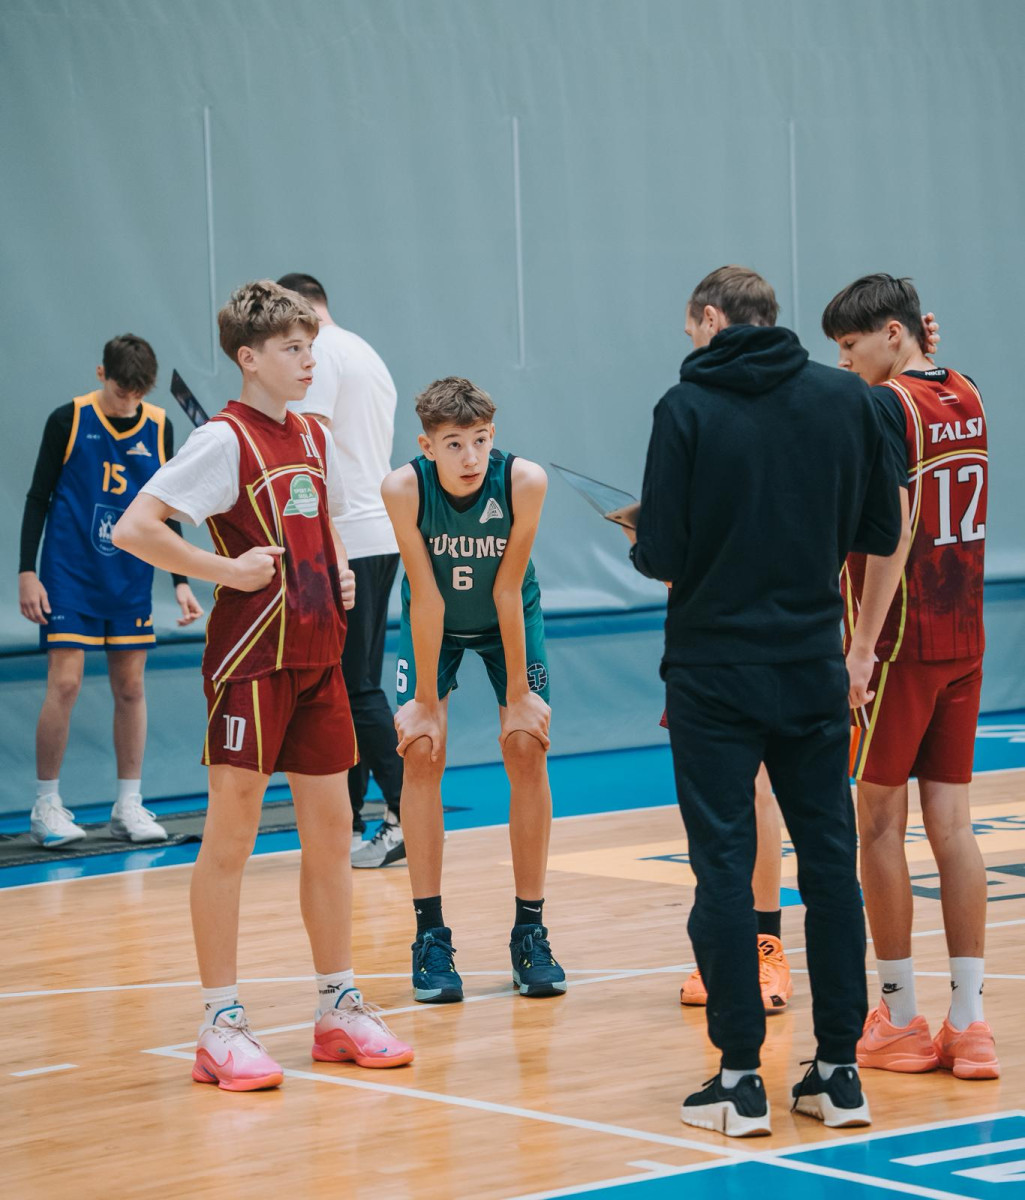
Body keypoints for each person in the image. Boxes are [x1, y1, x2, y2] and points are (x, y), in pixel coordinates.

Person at [112, 280, 413, 1091]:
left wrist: (338, 569)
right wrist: (224, 570)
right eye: (292, 348)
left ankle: (337, 1006)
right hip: (250, 663)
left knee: (332, 835)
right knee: (232, 839)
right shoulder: (223, 440)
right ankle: (219, 1023)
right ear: (249, 358)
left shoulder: (311, 433)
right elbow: (135, 528)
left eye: (310, 345)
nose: (309, 360)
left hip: (319, 659)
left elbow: (321, 522)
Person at [630, 265, 901, 1137]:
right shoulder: (849, 400)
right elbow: (880, 530)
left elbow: (661, 553)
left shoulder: (684, 408)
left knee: (722, 865)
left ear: (710, 318)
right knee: (828, 864)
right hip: (811, 664)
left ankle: (740, 1078)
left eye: (690, 327)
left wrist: (660, 530)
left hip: (713, 671)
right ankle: (838, 1074)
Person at [822, 273, 998, 1080]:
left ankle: (897, 1019)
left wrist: (860, 648)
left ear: (892, 335)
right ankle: (970, 1024)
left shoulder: (883, 407)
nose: (844, 364)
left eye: (849, 347)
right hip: (965, 637)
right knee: (953, 829)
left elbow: (889, 533)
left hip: (898, 643)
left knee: (879, 828)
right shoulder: (967, 390)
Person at [381, 376, 564, 1003]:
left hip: (507, 617)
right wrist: (424, 703)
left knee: (525, 745)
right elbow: (426, 597)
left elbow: (508, 588)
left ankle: (530, 932)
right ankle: (430, 937)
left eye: (481, 440)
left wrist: (518, 695)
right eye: (455, 443)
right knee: (421, 752)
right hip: (434, 622)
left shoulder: (523, 481)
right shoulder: (404, 488)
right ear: (427, 446)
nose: (471, 457)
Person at [18, 334, 203, 847]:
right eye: (122, 392)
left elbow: (165, 506)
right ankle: (46, 804)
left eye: (138, 394)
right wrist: (26, 571)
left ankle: (128, 805)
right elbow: (37, 497)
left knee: (131, 687)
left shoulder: (159, 425)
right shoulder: (68, 419)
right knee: (65, 683)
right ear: (102, 375)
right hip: (69, 571)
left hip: (128, 573)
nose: (129, 402)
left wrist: (181, 582)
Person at [277, 273, 405, 869]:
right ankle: (349, 819)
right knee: (346, 686)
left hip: (349, 536)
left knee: (355, 686)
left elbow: (313, 447)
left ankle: (408, 815)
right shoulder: (364, 350)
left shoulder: (322, 352)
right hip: (375, 532)